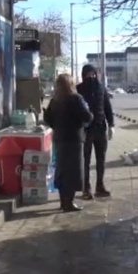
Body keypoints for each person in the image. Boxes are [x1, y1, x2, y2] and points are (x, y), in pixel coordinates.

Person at [43, 73, 92, 212]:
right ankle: (69, 203)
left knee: (62, 170)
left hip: (59, 139)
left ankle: (63, 201)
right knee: (73, 172)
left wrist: (57, 126)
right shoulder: (76, 98)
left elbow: (48, 119)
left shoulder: (55, 100)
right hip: (74, 140)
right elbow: (87, 116)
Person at [76, 64, 115, 200]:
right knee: (86, 160)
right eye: (89, 74)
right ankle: (86, 187)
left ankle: (98, 185)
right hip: (87, 129)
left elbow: (107, 107)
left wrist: (111, 124)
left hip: (99, 127)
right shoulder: (80, 89)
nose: (91, 77)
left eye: (93, 74)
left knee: (100, 159)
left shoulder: (100, 87)